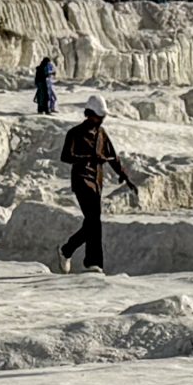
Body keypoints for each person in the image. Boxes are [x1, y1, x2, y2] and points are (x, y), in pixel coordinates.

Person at [59, 96, 136, 271]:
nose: (101, 119)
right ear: (89, 114)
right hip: (81, 180)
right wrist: (88, 158)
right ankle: (91, 262)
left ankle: (70, 252)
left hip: (96, 181)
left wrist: (124, 175)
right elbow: (66, 156)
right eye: (99, 116)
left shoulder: (102, 134)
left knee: (93, 222)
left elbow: (112, 157)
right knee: (93, 221)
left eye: (103, 116)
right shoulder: (75, 133)